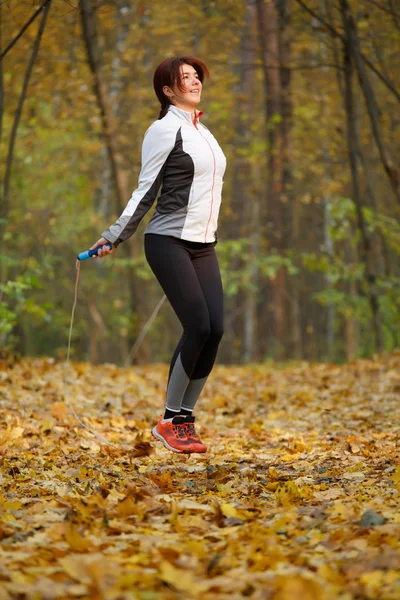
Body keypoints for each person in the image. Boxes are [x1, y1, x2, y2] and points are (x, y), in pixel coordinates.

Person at [90, 56, 226, 454]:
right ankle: (169, 421)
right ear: (167, 90)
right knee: (198, 325)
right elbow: (145, 191)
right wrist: (114, 236)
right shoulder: (164, 130)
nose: (194, 80)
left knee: (215, 329)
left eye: (196, 74)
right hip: (167, 240)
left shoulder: (205, 131)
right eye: (184, 78)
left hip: (205, 245)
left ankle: (184, 420)